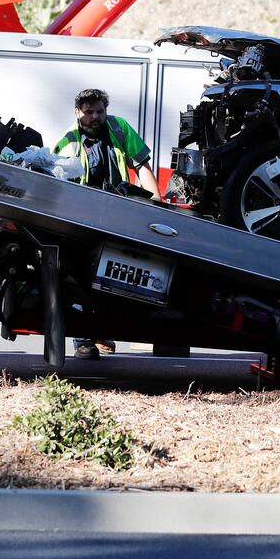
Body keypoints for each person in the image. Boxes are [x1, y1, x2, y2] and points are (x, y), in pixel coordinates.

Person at [54, 88, 162, 360]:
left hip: (117, 216)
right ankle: (83, 340)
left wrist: (157, 201)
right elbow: (58, 181)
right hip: (82, 218)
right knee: (80, 277)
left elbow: (142, 166)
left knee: (110, 275)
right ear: (78, 112)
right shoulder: (69, 140)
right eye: (89, 112)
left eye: (99, 111)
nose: (95, 117)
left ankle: (102, 331)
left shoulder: (119, 128)